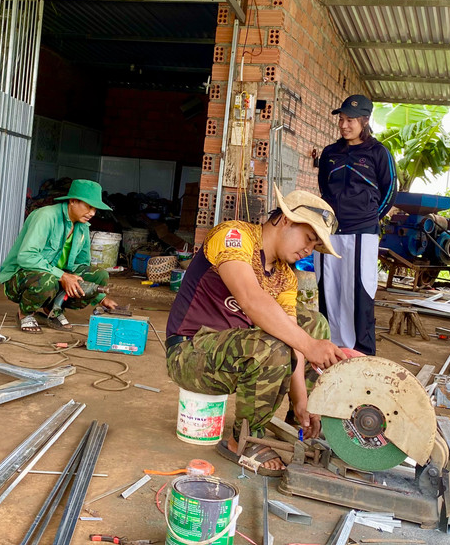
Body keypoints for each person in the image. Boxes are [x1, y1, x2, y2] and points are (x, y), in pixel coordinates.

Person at [165, 185, 348, 475]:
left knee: (313, 324)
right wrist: (310, 346)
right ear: (286, 219)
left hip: (236, 353)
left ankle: (296, 423)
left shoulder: (286, 277)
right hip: (190, 353)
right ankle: (244, 439)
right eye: (308, 238)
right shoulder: (234, 236)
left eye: (314, 246)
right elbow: (251, 299)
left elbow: (296, 341)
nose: (308, 250)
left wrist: (302, 401)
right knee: (275, 345)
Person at [316, 94, 398, 356]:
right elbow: (324, 188)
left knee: (359, 294)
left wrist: (370, 217)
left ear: (364, 120)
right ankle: (332, 351)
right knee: (329, 289)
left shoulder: (378, 153)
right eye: (341, 119)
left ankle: (362, 355)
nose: (344, 125)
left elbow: (390, 191)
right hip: (330, 233)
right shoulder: (330, 153)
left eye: (350, 120)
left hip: (362, 234)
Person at [0, 179, 119, 333]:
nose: (92, 213)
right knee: (47, 281)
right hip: (21, 279)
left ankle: (53, 309)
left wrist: (99, 298)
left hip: (55, 279)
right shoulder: (46, 216)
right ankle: (25, 313)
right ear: (73, 201)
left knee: (99, 275)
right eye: (89, 207)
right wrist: (63, 276)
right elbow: (26, 257)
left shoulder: (82, 227)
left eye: (95, 209)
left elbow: (82, 266)